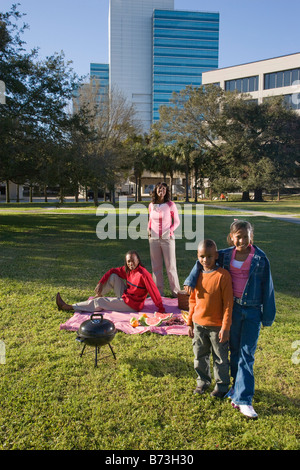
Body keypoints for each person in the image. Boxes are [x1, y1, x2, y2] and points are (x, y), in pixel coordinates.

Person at [184, 220, 276, 419]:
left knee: (246, 354)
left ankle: (244, 399)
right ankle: (235, 387)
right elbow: (201, 260)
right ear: (231, 237)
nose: (242, 240)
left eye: (246, 236)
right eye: (238, 236)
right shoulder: (224, 254)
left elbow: (267, 288)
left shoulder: (260, 258)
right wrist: (191, 279)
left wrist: (267, 315)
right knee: (233, 352)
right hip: (232, 310)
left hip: (251, 311)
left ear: (251, 236)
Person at [187, 239, 233, 399]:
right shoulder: (196, 276)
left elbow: (228, 304)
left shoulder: (223, 276)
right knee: (200, 356)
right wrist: (190, 323)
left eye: (209, 256)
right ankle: (203, 382)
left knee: (220, 358)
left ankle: (221, 387)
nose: (205, 260)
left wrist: (225, 327)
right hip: (199, 325)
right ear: (197, 256)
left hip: (217, 327)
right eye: (202, 256)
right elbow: (192, 300)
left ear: (216, 256)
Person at [56, 250, 166, 314]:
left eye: (133, 261)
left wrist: (161, 308)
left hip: (133, 305)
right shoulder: (128, 270)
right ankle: (98, 295)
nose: (131, 264)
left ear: (138, 260)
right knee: (113, 276)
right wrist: (101, 283)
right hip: (126, 296)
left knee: (100, 302)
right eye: (128, 261)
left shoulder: (144, 274)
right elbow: (112, 271)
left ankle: (69, 306)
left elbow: (154, 292)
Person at [148, 182, 181, 297]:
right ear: (156, 190)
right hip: (154, 239)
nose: (161, 191)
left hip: (168, 239)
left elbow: (177, 221)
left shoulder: (170, 204)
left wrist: (170, 231)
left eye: (164, 189)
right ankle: (158, 293)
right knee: (156, 267)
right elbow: (150, 220)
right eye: (159, 189)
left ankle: (176, 293)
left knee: (171, 266)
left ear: (166, 192)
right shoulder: (151, 205)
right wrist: (148, 229)